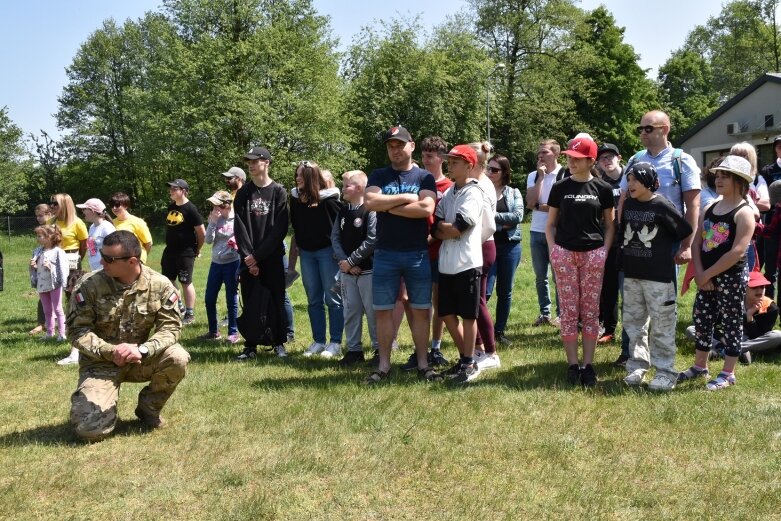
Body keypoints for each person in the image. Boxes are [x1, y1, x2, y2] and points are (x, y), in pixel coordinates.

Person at [67, 230, 190, 441]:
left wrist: (143, 349)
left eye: (109, 259)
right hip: (100, 364)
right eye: (102, 256)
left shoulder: (159, 285)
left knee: (177, 357)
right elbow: (77, 330)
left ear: (132, 261)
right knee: (90, 431)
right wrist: (110, 351)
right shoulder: (89, 285)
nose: (101, 261)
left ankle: (148, 409)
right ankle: (99, 407)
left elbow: (170, 328)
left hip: (139, 358)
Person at [614, 110, 701, 366]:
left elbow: (693, 205)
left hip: (666, 244)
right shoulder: (634, 160)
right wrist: (621, 235)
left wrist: (686, 245)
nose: (642, 132)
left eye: (647, 128)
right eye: (640, 128)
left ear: (664, 129)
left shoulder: (681, 161)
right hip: (634, 243)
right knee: (632, 303)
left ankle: (663, 360)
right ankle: (630, 354)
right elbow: (623, 198)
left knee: (662, 305)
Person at [363, 126, 441, 384]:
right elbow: (370, 203)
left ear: (412, 145)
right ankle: (384, 366)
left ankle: (423, 363)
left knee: (421, 310)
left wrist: (388, 205)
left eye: (399, 144)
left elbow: (425, 208)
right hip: (385, 254)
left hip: (417, 254)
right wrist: (407, 198)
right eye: (390, 146)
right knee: (383, 311)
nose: (395, 150)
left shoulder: (424, 177)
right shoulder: (379, 174)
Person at [679, 155, 756, 390]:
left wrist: (708, 274)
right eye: (718, 175)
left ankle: (727, 372)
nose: (719, 180)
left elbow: (736, 252)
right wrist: (701, 273)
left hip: (730, 276)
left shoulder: (744, 213)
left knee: (732, 322)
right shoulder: (710, 207)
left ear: (740, 181)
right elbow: (696, 242)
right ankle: (700, 365)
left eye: (725, 176)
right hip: (707, 275)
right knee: (702, 318)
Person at [546, 135, 615, 387]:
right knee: (568, 310)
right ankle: (572, 365)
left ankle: (588, 365)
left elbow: (610, 225)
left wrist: (604, 251)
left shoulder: (603, 189)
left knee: (590, 310)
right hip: (565, 253)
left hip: (593, 254)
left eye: (577, 158)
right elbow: (550, 224)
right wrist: (555, 250)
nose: (571, 162)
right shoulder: (560, 187)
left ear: (590, 160)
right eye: (569, 157)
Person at [620, 163, 693, 390]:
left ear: (648, 181)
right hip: (632, 275)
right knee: (634, 323)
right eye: (628, 180)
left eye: (634, 180)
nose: (629, 184)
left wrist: (680, 250)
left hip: (658, 278)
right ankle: (637, 366)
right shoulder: (629, 203)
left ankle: (665, 372)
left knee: (662, 324)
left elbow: (683, 230)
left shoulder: (662, 205)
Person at [433, 145, 485, 383]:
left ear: (469, 166)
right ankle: (466, 358)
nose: (450, 165)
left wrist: (447, 229)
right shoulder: (449, 193)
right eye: (449, 161)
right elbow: (437, 227)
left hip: (467, 262)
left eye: (455, 162)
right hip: (446, 263)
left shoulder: (474, 193)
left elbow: (456, 228)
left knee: (468, 315)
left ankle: (469, 361)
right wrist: (446, 229)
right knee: (445, 312)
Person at [400, 135, 452, 370]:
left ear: (441, 158)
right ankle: (418, 348)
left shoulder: (449, 187)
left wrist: (432, 237)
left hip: (440, 251)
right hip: (415, 249)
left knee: (438, 300)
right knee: (411, 300)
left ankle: (436, 347)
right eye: (423, 155)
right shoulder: (419, 181)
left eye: (430, 156)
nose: (426, 159)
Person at [232, 146, 289, 360]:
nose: (251, 165)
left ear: (266, 162)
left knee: (276, 297)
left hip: (271, 255)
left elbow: (279, 229)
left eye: (255, 161)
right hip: (248, 258)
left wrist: (259, 256)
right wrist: (249, 257)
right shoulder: (244, 193)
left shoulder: (278, 192)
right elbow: (240, 226)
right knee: (251, 298)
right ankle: (251, 345)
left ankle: (279, 342)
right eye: (249, 162)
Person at [288, 160, 344, 358]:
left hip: (328, 254)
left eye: (301, 175)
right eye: (296, 175)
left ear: (312, 177)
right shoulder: (295, 199)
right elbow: (295, 227)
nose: (297, 179)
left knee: (333, 299)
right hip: (307, 254)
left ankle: (335, 342)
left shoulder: (330, 201)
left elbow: (340, 229)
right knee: (313, 299)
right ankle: (318, 341)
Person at [331, 170, 379, 366]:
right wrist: (346, 263)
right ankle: (354, 350)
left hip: (368, 270)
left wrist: (352, 261)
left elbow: (373, 239)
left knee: (372, 312)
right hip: (347, 273)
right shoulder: (342, 211)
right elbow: (334, 237)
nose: (343, 189)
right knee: (350, 311)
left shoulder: (370, 210)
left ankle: (378, 349)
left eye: (346, 186)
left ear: (359, 188)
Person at [685, 271, 781, 364]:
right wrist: (722, 337)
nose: (759, 290)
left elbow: (758, 336)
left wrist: (749, 316)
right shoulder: (732, 300)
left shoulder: (771, 308)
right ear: (744, 287)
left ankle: (727, 351)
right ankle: (729, 349)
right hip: (728, 337)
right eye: (754, 286)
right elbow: (713, 324)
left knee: (778, 335)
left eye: (762, 286)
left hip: (750, 341)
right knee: (691, 329)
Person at [485, 153, 523, 346]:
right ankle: (483, 331)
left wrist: (493, 219)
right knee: (486, 290)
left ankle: (499, 331)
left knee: (505, 291)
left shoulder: (513, 192)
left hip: (510, 247)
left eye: (494, 169)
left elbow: (517, 217)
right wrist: (502, 223)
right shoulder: (481, 191)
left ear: (504, 172)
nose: (489, 172)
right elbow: (480, 216)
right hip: (488, 245)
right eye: (488, 168)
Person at [468, 142, 499, 370]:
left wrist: (470, 244)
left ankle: (490, 352)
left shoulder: (482, 185)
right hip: (477, 246)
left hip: (482, 246)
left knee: (478, 301)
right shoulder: (477, 182)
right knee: (474, 301)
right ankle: (479, 348)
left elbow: (487, 225)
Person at [526, 139, 563, 327]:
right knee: (541, 276)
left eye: (545, 152)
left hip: (557, 232)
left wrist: (543, 206)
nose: (540, 156)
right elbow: (530, 203)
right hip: (535, 231)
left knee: (559, 276)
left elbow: (563, 206)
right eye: (539, 153)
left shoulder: (564, 174)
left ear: (556, 153)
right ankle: (545, 313)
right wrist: (540, 178)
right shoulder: (533, 175)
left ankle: (562, 314)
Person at [162, 179, 205, 325]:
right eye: (171, 189)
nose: (171, 191)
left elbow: (201, 232)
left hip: (186, 252)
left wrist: (197, 249)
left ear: (184, 191)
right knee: (168, 280)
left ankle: (190, 313)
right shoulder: (171, 206)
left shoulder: (191, 209)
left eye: (175, 189)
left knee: (186, 281)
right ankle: (178, 305)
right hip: (170, 251)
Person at [202, 190, 241, 344]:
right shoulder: (214, 218)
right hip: (216, 263)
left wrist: (236, 243)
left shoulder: (237, 218)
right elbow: (208, 241)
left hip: (232, 263)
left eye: (216, 204)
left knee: (231, 298)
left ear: (225, 205)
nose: (214, 207)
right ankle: (213, 331)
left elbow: (244, 237)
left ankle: (233, 332)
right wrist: (212, 222)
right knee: (209, 298)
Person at [595, 143, 623, 344]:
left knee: (630, 289)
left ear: (619, 157)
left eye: (610, 156)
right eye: (602, 158)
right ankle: (609, 328)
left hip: (631, 242)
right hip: (608, 242)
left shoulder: (629, 179)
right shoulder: (598, 183)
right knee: (608, 288)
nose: (606, 161)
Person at [32, 225, 70, 347]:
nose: (38, 239)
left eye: (40, 236)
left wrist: (52, 267)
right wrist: (33, 265)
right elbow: (37, 267)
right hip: (42, 284)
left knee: (58, 309)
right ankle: (49, 332)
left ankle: (62, 333)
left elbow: (64, 268)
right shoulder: (38, 251)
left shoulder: (58, 252)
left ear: (49, 237)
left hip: (55, 284)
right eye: (37, 236)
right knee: (47, 309)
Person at [759, 135, 781, 298]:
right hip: (772, 222)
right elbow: (764, 197)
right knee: (770, 268)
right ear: (775, 148)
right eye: (779, 146)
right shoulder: (767, 171)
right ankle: (768, 306)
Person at [29, 204, 54, 335]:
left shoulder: (54, 227)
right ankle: (42, 323)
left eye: (41, 215)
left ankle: (51, 323)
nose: (38, 218)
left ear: (49, 213)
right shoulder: (42, 228)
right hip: (42, 264)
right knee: (43, 293)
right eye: (37, 216)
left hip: (53, 264)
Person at [109, 192, 153, 264]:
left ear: (126, 206)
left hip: (135, 261)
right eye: (111, 205)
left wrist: (141, 258)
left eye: (117, 205)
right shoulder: (111, 223)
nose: (114, 208)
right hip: (119, 261)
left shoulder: (138, 222)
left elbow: (148, 243)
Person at [50, 193, 88, 273]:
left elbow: (84, 245)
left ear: (65, 205)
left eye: (55, 203)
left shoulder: (77, 222)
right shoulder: (50, 222)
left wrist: (77, 258)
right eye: (51, 203)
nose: (52, 206)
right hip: (52, 258)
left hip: (71, 260)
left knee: (71, 284)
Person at [76, 198, 116, 272]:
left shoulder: (107, 227)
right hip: (94, 269)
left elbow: (114, 250)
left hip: (105, 269)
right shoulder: (92, 227)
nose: (82, 212)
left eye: (84, 209)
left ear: (92, 211)